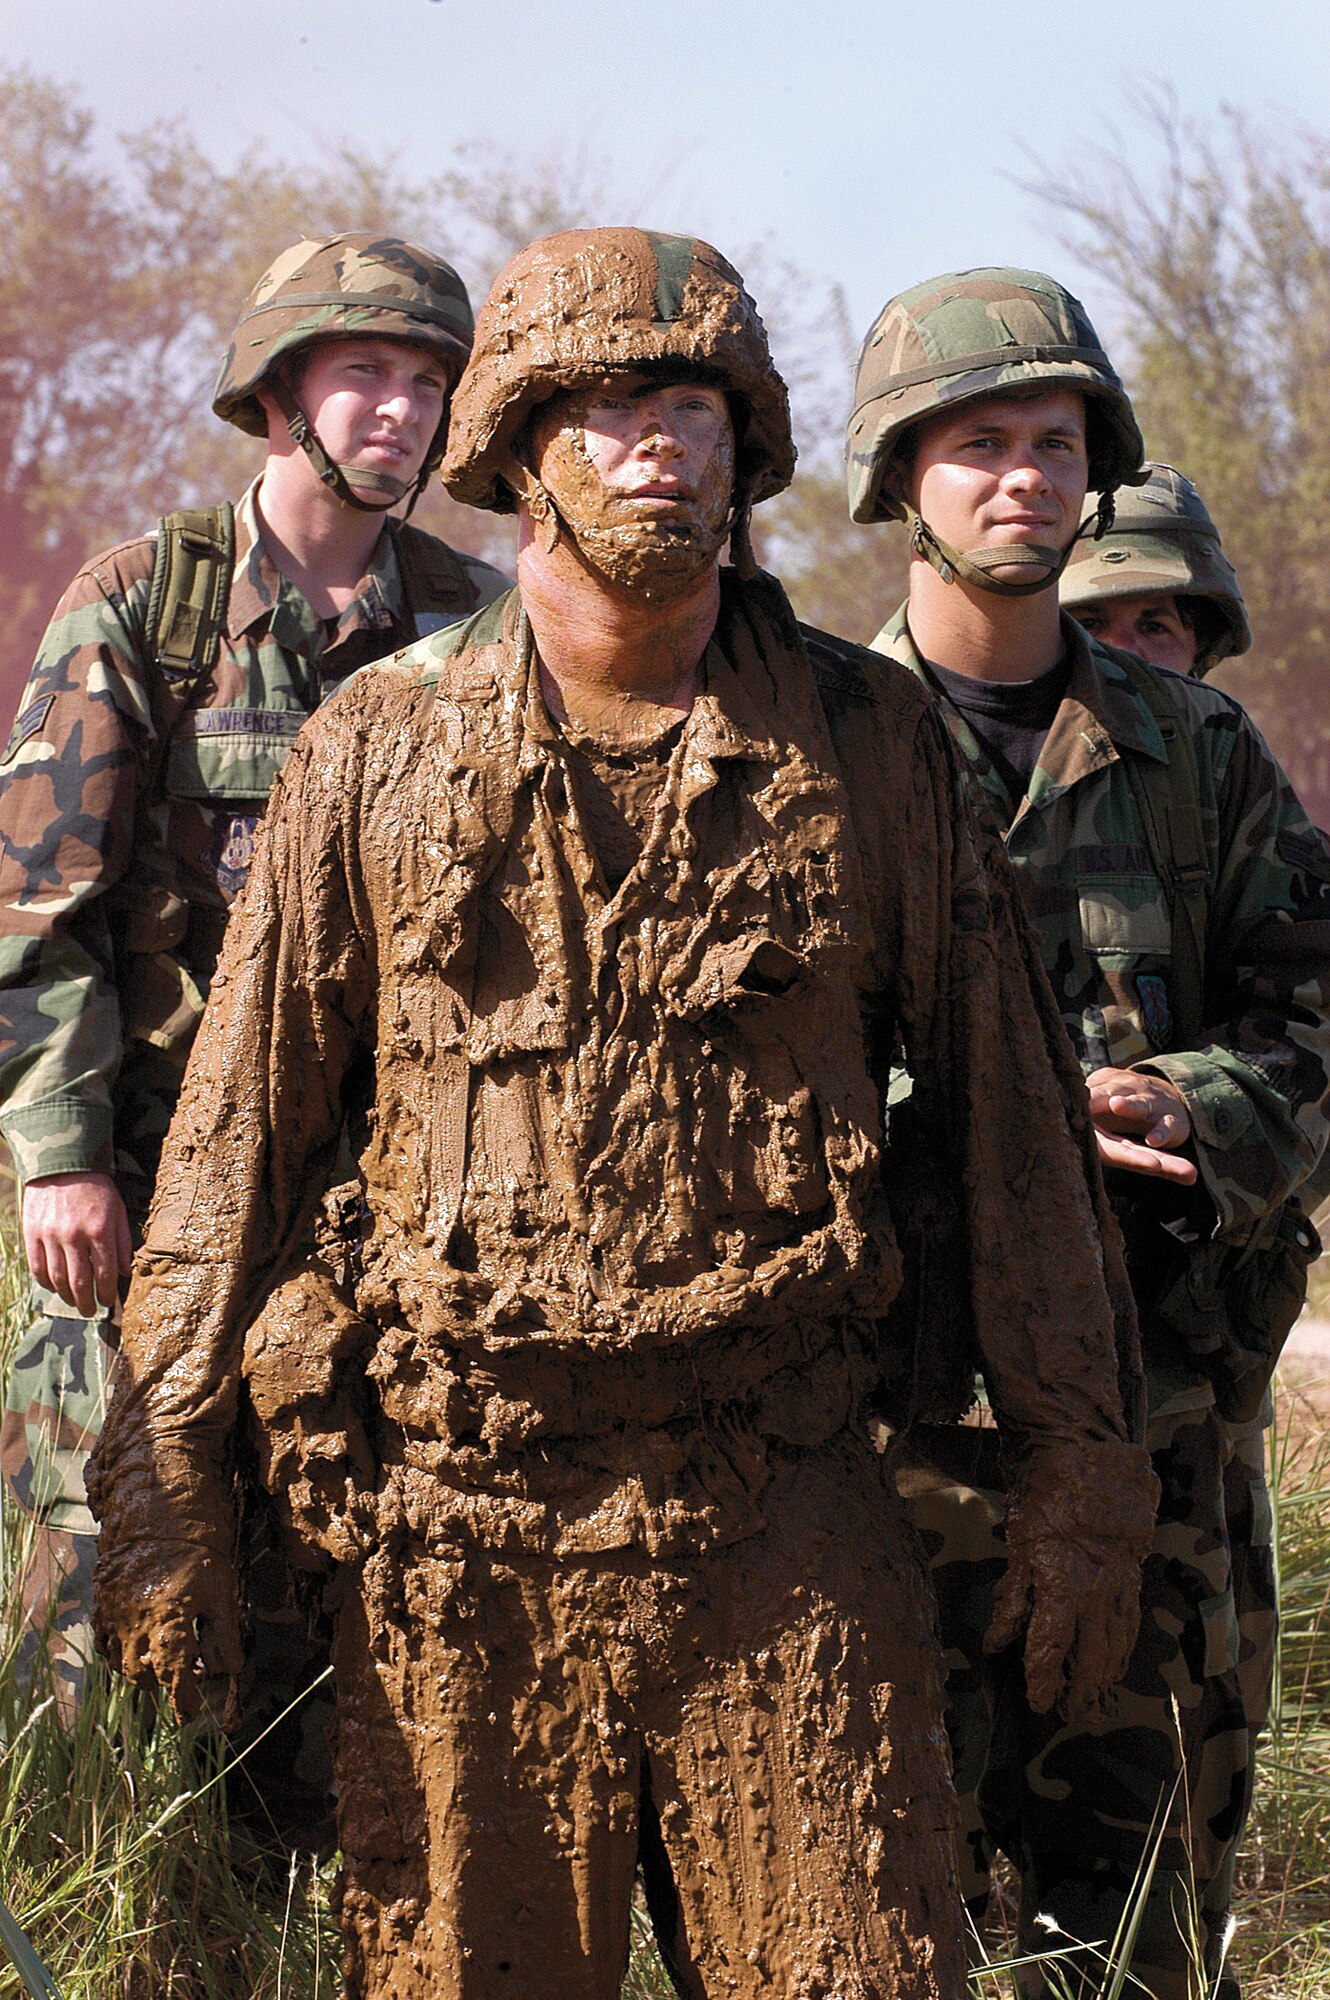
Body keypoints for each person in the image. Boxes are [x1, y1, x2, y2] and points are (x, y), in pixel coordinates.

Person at [89, 228, 1156, 2000]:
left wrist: (1084, 1468)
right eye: (604, 410)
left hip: (783, 1502)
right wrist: (164, 1480)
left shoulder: (869, 742)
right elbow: (235, 1141)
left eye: (695, 407)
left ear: (751, 448)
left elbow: (1015, 1130)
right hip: (461, 1521)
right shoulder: (377, 746)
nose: (657, 441)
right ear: (515, 450)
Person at [849, 269, 1330, 1999]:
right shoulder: (811, 748)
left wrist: (1189, 1103)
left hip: (1146, 1447)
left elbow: (1312, 1013)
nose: (1025, 479)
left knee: (1127, 1945)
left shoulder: (1192, 747)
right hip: (878, 1456)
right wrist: (985, 1130)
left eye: (1057, 443)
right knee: (873, 1933)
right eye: (980, 445)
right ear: (903, 476)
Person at [0, 231, 510, 1716]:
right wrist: (59, 1162)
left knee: (349, 1584)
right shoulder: (149, 606)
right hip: (149, 1192)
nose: (399, 413)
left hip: (391, 1201)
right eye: (364, 374)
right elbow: (35, 908)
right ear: (280, 395)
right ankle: (123, 1900)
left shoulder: (469, 626)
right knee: (98, 1577)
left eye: (426, 383)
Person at [1061, 460, 1251, 676]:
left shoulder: (1219, 710)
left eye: (1154, 627)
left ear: (1198, 650)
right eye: (1089, 625)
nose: (1125, 650)